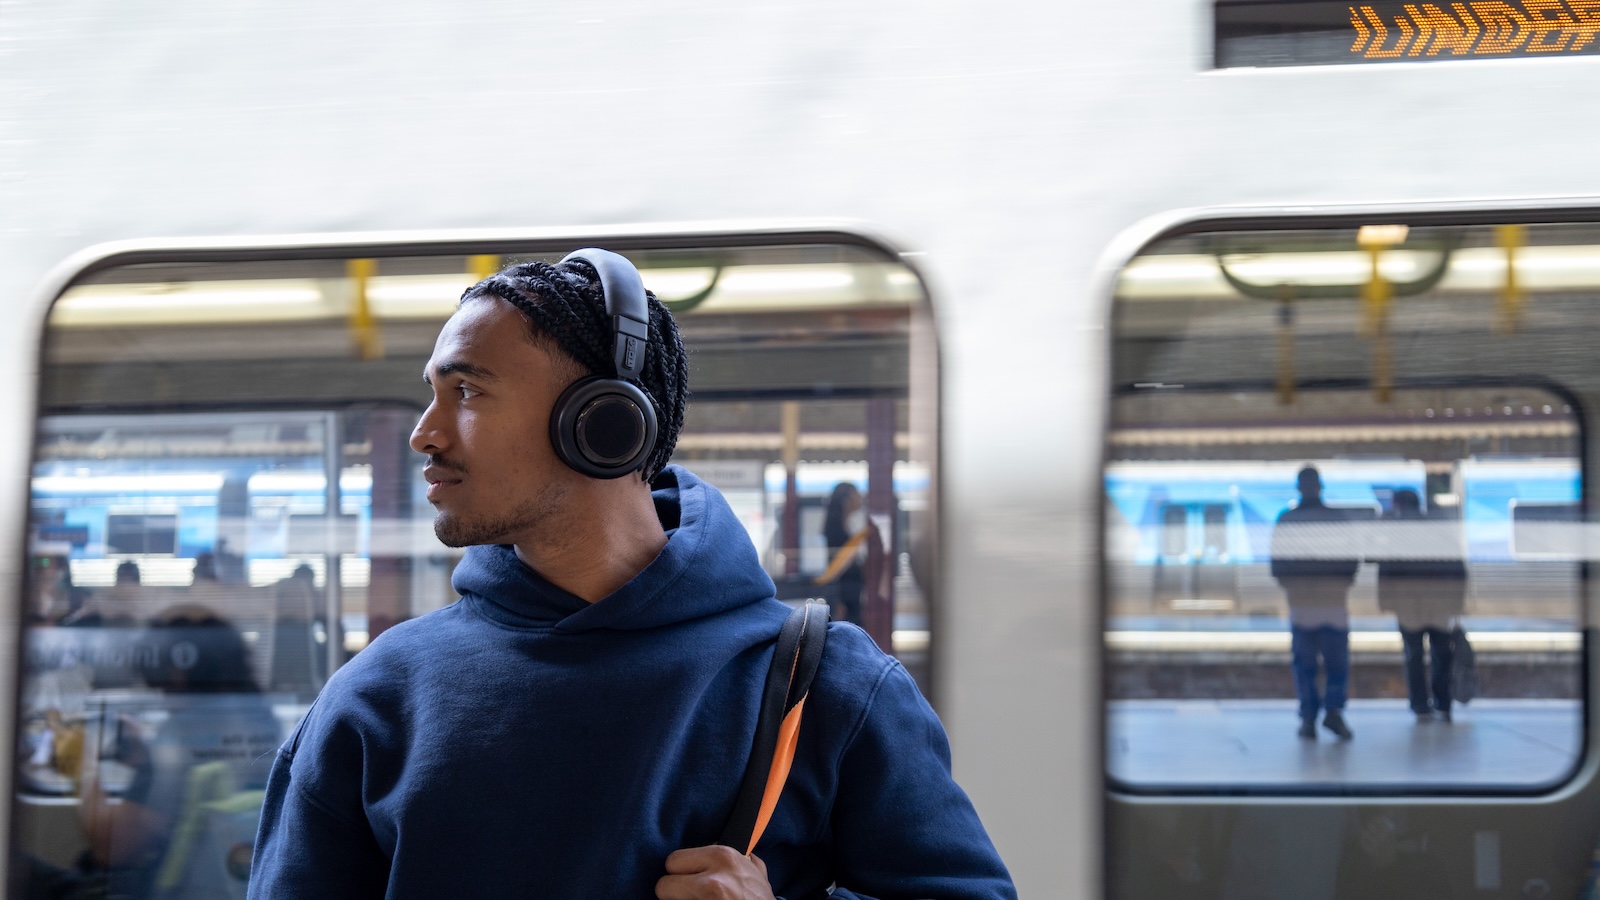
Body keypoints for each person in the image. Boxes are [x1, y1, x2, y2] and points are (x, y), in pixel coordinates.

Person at [247, 250, 1014, 899]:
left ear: (602, 422)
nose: (425, 433)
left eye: (468, 391)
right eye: (433, 394)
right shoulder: (373, 701)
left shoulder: (827, 686)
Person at [1270, 466, 1360, 741]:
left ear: (1299, 488)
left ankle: (1308, 718)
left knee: (1305, 664)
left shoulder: (1287, 520)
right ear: (1320, 487)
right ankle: (1333, 711)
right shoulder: (1337, 519)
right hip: (1333, 603)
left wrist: (1295, 586)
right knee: (1336, 663)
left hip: (1302, 605)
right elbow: (1351, 561)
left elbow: (1277, 564)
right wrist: (1338, 584)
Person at [1376, 489, 1464, 723]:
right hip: (1439, 602)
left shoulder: (1395, 531)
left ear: (1398, 505)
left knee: (1413, 655)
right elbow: (1457, 564)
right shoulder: (1438, 527)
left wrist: (1386, 601)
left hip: (1408, 605)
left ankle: (1420, 706)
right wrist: (1457, 602)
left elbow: (1385, 565)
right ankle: (1443, 703)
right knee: (1442, 653)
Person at [819, 482, 867, 624]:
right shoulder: (836, 531)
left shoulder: (848, 526)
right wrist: (838, 600)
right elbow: (836, 566)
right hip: (844, 593)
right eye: (856, 495)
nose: (860, 498)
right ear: (846, 501)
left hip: (852, 590)